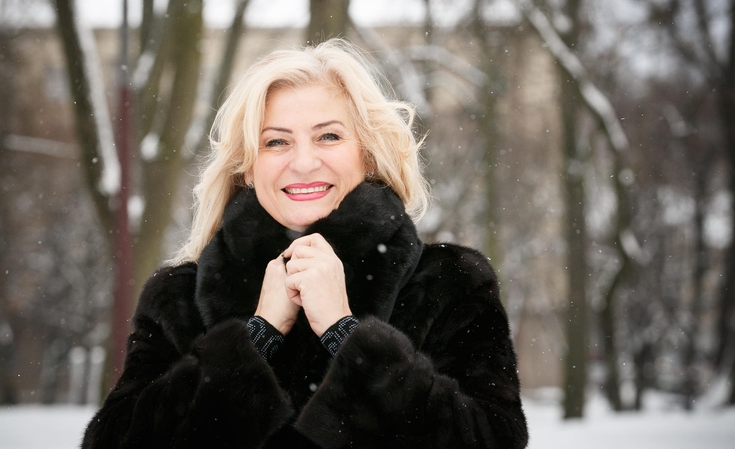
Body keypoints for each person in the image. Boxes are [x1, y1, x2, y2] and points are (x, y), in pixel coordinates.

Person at [82, 39, 528, 449]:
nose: (303, 161)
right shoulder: (178, 296)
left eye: (328, 136)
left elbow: (493, 439)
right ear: (248, 167)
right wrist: (257, 337)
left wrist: (345, 334)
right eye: (276, 141)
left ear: (367, 154)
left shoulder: (450, 282)